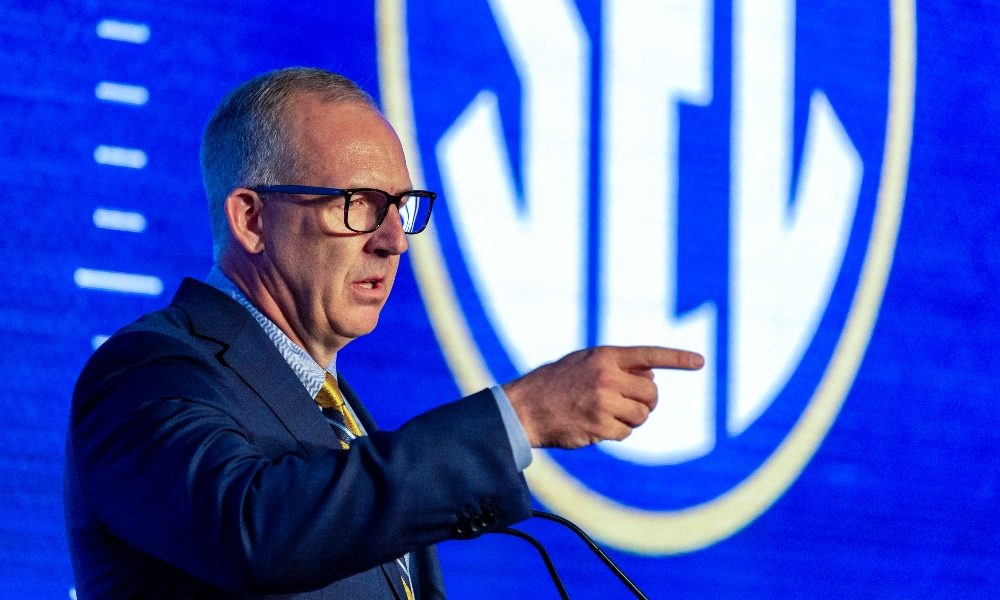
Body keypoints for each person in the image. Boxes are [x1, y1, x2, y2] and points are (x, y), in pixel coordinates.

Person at [64, 67, 704, 599]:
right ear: (252, 219)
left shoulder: (337, 411)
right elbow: (254, 528)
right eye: (359, 204)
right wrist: (521, 416)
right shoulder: (147, 372)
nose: (394, 239)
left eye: (400, 207)